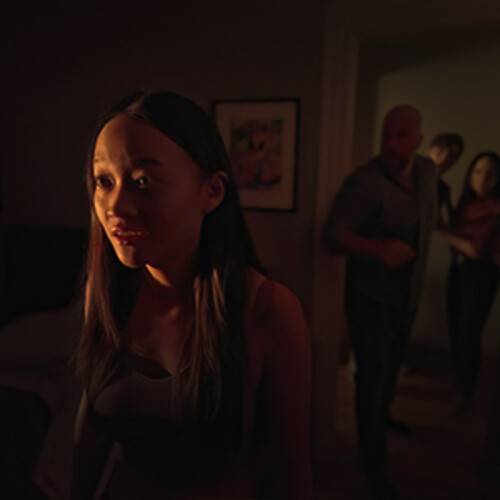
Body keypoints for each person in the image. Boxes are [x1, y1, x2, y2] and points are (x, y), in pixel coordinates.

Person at [72, 90, 312, 499]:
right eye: (103, 181)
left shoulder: (267, 309)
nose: (116, 206)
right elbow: (90, 428)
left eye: (142, 181)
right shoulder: (109, 290)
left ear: (211, 192)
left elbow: (289, 472)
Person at [323, 105, 438, 497]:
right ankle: (372, 464)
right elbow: (332, 235)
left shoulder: (427, 171)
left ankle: (383, 418)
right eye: (387, 134)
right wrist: (377, 248)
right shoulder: (365, 182)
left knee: (391, 370)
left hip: (407, 296)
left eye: (401, 136)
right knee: (371, 379)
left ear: (418, 139)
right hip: (370, 298)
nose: (392, 142)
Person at [444, 152, 500, 408]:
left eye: (490, 173)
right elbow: (460, 243)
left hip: (482, 275)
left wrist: (443, 231)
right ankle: (459, 381)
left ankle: (466, 389)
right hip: (458, 270)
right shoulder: (466, 204)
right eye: (478, 171)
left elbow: (477, 249)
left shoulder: (496, 208)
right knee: (455, 327)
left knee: (469, 331)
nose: (483, 178)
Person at [425, 133, 464, 228]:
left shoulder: (443, 189)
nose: (444, 159)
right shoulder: (406, 177)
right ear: (429, 151)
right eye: (439, 152)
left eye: (451, 155)